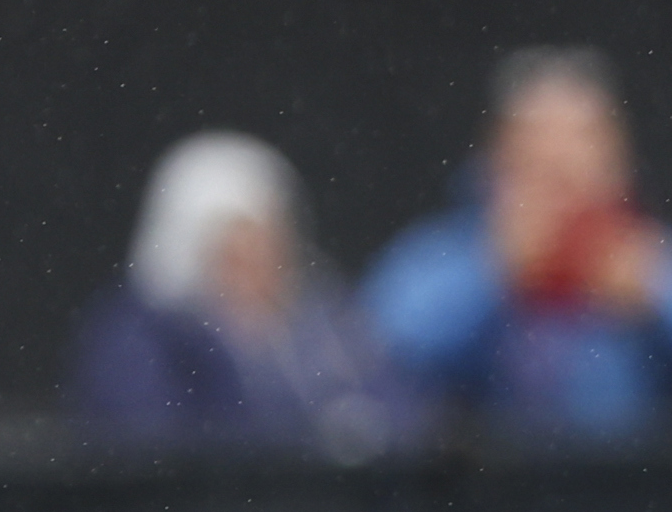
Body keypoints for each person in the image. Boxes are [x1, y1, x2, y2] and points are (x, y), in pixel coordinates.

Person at [363, 50, 672, 439]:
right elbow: (379, 355)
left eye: (584, 138)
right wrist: (493, 273)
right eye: (538, 139)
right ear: (498, 152)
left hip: (628, 490)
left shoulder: (653, 254)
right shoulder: (446, 251)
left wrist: (660, 294)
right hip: (477, 493)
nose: (561, 159)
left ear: (618, 156)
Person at [66, 133, 414, 455]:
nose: (263, 259)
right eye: (237, 248)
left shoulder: (326, 326)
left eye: (272, 237)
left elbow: (399, 414)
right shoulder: (138, 339)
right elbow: (148, 443)